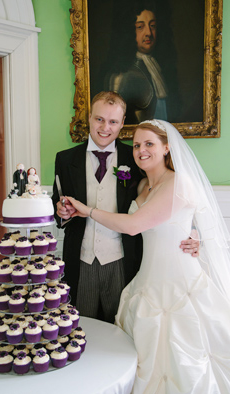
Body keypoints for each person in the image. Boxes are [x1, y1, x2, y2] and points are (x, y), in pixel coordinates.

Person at [63, 119, 230, 393]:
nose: (141, 150)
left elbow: (133, 226)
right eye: (137, 144)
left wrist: (88, 210)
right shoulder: (142, 187)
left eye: (149, 144)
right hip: (146, 282)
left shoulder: (179, 183)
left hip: (180, 284)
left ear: (166, 147)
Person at [52, 91, 197, 323]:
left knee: (122, 329)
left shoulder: (137, 158)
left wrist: (193, 232)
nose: (105, 127)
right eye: (99, 119)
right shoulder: (65, 159)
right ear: (89, 117)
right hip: (81, 259)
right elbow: (57, 203)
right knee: (81, 328)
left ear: (122, 123)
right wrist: (62, 213)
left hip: (124, 260)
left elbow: (170, 201)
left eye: (113, 121)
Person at [103, 1, 180, 124]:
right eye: (140, 27)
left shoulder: (159, 68)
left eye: (152, 26)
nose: (148, 33)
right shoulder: (122, 75)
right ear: (129, 31)